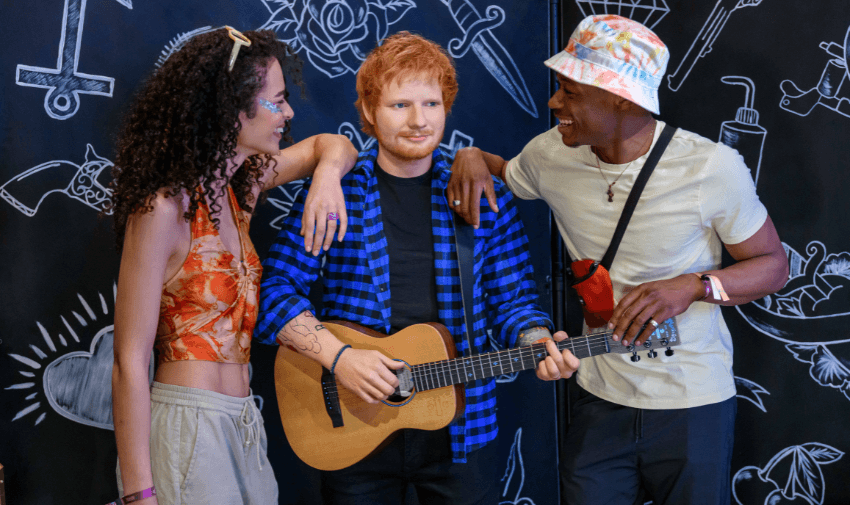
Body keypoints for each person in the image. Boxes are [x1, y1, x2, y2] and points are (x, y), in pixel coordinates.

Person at [446, 14, 789, 505]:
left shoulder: (710, 167)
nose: (554, 103)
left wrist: (693, 286)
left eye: (570, 92)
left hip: (692, 404)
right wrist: (472, 156)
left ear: (623, 99)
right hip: (598, 397)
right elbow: (506, 173)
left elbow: (773, 265)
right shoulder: (550, 154)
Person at [254, 31, 580, 504]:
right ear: (369, 111)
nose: (418, 120)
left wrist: (537, 342)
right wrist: (340, 358)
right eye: (400, 105)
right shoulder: (337, 191)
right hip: (351, 424)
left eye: (431, 104)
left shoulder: (481, 193)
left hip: (462, 428)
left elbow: (514, 302)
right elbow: (276, 290)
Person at [109, 27, 358, 505]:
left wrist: (326, 179)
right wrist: (139, 494)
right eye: (277, 101)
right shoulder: (163, 209)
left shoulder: (239, 188)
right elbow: (129, 362)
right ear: (232, 109)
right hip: (188, 424)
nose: (288, 113)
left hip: (243, 422)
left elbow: (335, 145)